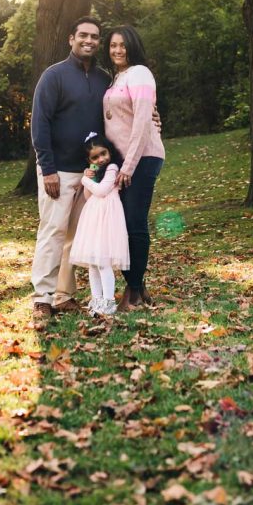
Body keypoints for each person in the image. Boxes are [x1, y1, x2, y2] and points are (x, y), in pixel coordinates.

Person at [30, 17, 110, 328]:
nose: (89, 40)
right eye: (83, 35)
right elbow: (40, 124)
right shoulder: (54, 76)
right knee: (52, 232)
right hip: (58, 171)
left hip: (90, 172)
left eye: (95, 37)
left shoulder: (104, 79)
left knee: (75, 238)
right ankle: (42, 298)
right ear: (71, 39)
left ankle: (64, 296)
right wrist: (47, 169)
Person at [103, 25, 165, 312]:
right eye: (113, 45)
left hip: (141, 159)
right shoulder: (118, 77)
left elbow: (142, 121)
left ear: (133, 46)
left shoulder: (139, 72)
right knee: (122, 224)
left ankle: (134, 290)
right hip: (124, 161)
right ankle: (137, 286)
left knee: (133, 222)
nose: (117, 50)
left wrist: (128, 166)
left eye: (123, 45)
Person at [69, 132, 130, 317]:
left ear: (109, 151)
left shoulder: (112, 168)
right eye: (95, 157)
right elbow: (89, 196)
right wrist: (91, 177)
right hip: (94, 217)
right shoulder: (97, 172)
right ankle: (96, 300)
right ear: (90, 160)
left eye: (103, 153)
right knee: (93, 264)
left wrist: (84, 179)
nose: (101, 159)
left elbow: (103, 191)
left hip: (108, 218)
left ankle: (109, 301)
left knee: (103, 262)